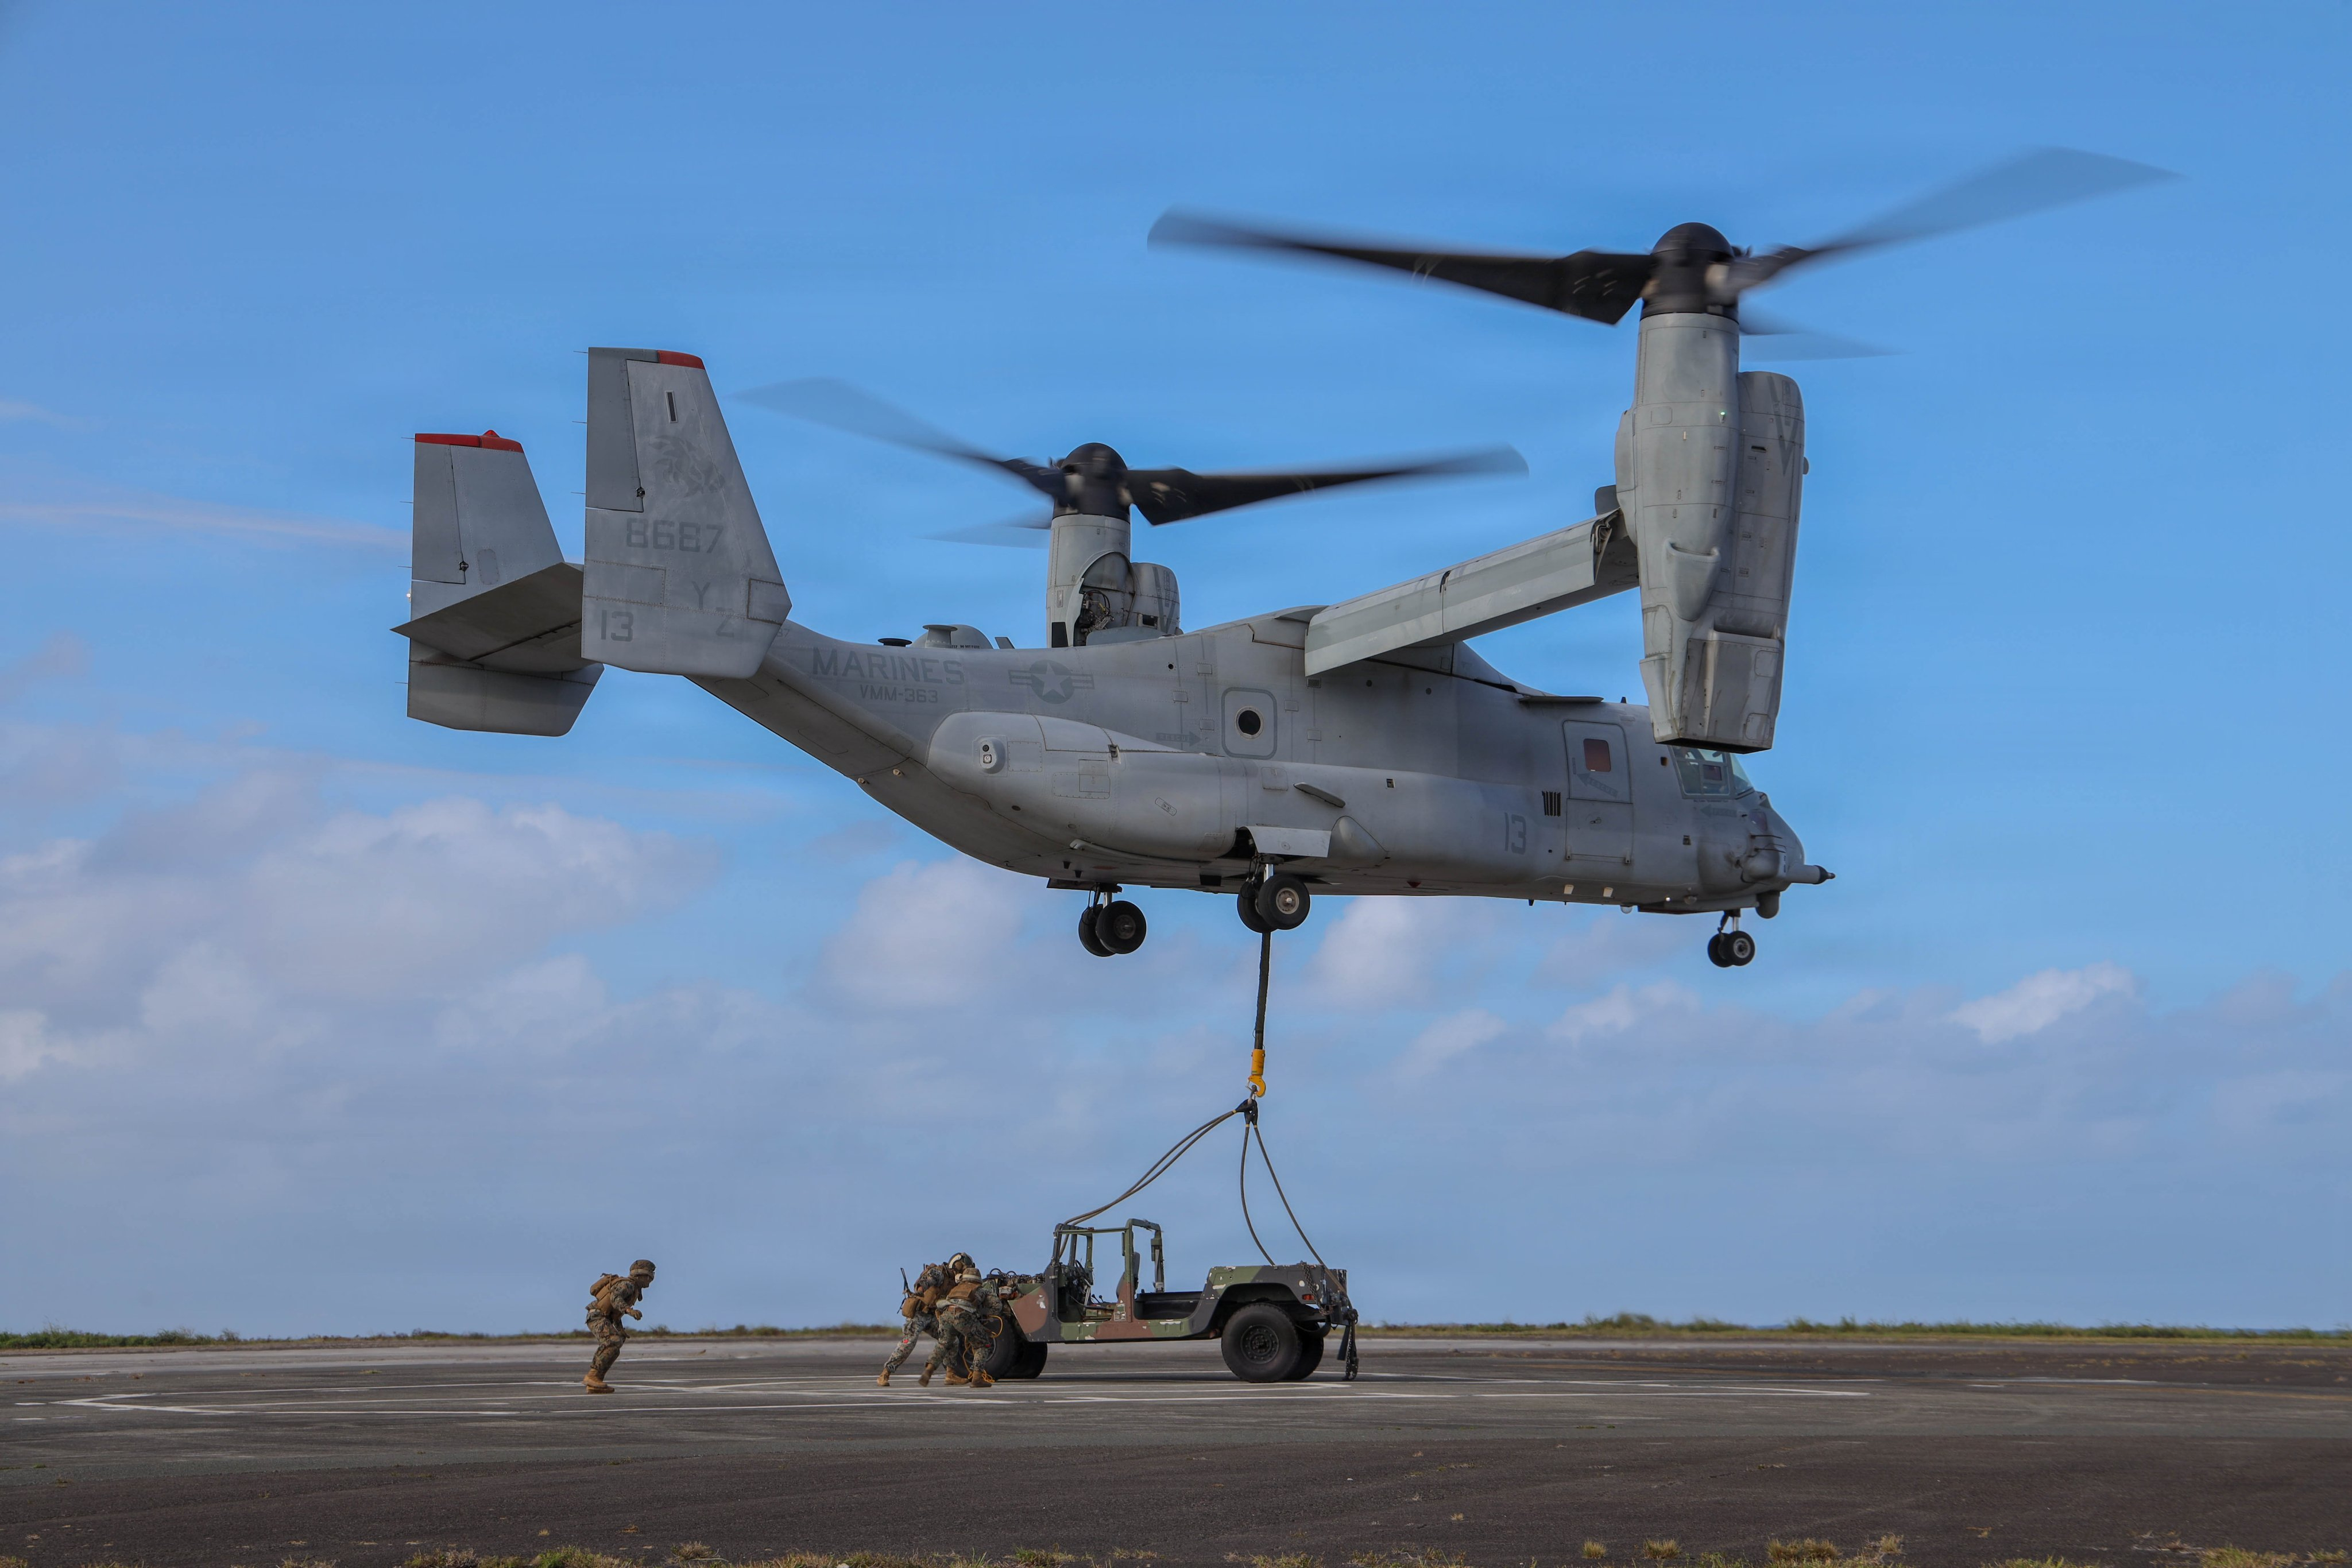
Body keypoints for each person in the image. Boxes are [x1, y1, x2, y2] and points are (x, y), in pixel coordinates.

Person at [879, 1255, 958, 1387]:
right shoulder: (939, 1273)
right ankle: (885, 1374)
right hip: (919, 1314)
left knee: (952, 1340)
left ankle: (950, 1375)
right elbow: (925, 1281)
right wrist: (920, 1291)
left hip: (933, 1316)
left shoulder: (952, 1281)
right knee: (908, 1344)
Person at [923, 1266, 1008, 1389]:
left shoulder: (955, 1289)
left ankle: (932, 1371)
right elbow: (997, 1306)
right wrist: (984, 1314)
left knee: (945, 1344)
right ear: (978, 1279)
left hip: (946, 1315)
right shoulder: (981, 1290)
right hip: (963, 1316)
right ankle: (977, 1379)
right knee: (983, 1344)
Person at [583, 1259, 656, 1393]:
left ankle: (595, 1383)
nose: (651, 1280)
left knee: (616, 1343)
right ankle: (592, 1377)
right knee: (613, 1341)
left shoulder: (631, 1287)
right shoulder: (628, 1285)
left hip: (601, 1316)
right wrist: (629, 1310)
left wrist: (620, 1329)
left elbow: (615, 1312)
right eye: (649, 1276)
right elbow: (615, 1298)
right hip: (597, 1316)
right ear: (641, 1276)